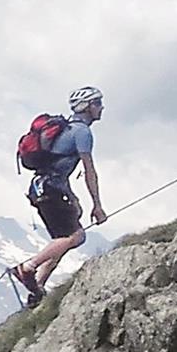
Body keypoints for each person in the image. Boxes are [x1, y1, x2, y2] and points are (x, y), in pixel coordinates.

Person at [11, 86, 108, 307]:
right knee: (75, 237)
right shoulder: (82, 132)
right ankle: (28, 267)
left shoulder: (66, 129)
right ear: (87, 107)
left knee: (62, 240)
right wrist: (97, 206)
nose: (101, 107)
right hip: (52, 189)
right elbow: (89, 171)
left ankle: (37, 289)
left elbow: (58, 166)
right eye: (98, 103)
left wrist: (72, 198)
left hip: (41, 188)